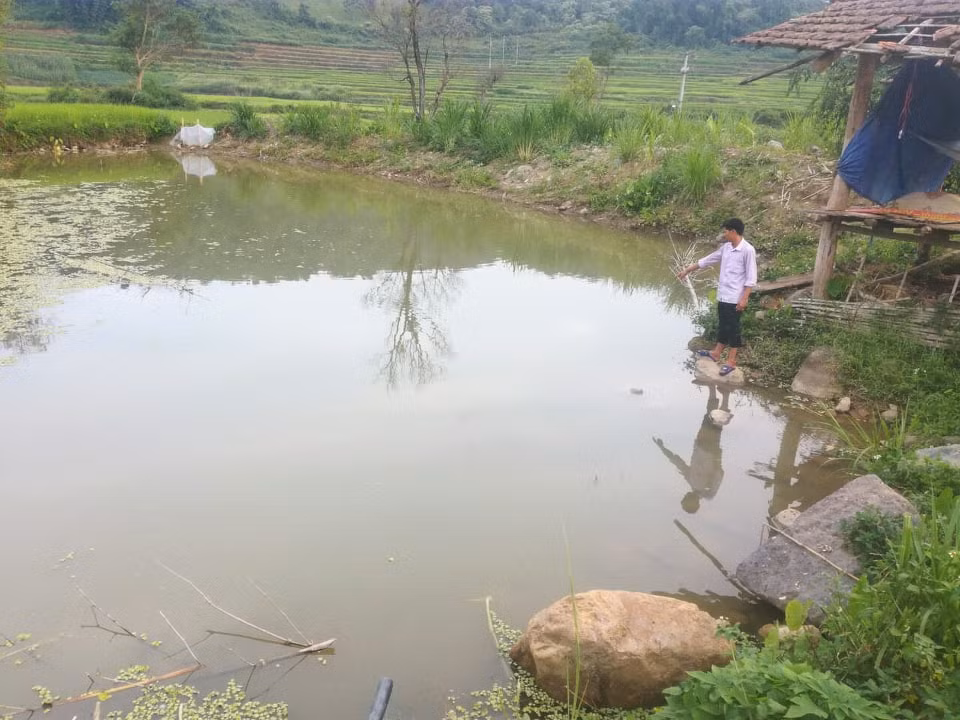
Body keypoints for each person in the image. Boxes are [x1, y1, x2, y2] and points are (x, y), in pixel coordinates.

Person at [676, 218, 757, 376]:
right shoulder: (726, 248)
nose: (724, 234)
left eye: (726, 231)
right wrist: (688, 270)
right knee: (723, 325)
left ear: (733, 231)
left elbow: (751, 278)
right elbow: (708, 260)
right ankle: (716, 353)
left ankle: (732, 361)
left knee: (733, 329)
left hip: (735, 297)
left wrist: (744, 298)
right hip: (723, 295)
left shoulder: (748, 250)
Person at [653, 385, 730, 514]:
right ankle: (725, 395)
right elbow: (720, 473)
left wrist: (662, 448)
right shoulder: (708, 492)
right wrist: (716, 457)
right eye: (685, 498)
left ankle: (713, 389)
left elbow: (676, 461)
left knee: (710, 417)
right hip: (711, 449)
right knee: (717, 421)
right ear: (692, 501)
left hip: (700, 444)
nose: (685, 495)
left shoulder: (693, 483)